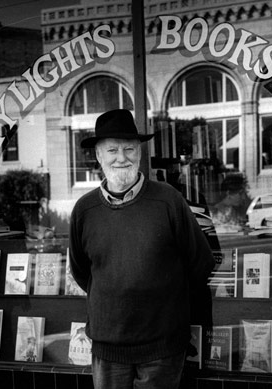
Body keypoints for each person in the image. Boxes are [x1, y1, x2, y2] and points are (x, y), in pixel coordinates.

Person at [69, 109, 215, 389]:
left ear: (140, 153)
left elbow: (200, 263)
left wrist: (165, 306)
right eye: (112, 149)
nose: (121, 157)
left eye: (129, 149)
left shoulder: (168, 200)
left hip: (163, 348)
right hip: (108, 348)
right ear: (99, 156)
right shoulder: (85, 210)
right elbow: (82, 272)